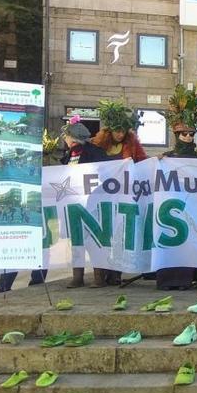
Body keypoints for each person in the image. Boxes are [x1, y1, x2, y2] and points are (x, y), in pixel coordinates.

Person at [90, 100, 146, 286]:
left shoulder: (132, 146)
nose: (120, 134)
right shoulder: (97, 146)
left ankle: (115, 274)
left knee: (120, 235)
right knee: (101, 234)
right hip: (101, 196)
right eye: (117, 131)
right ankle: (99, 273)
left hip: (123, 196)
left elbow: (142, 165)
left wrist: (158, 160)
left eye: (123, 131)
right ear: (110, 131)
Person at [156, 86, 197, 290]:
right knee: (169, 239)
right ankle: (167, 280)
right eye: (184, 134)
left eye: (191, 133)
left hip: (191, 206)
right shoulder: (169, 157)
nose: (188, 137)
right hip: (170, 206)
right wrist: (159, 161)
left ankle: (186, 279)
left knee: (189, 240)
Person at [60, 116, 110, 288]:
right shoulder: (68, 155)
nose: (65, 140)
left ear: (72, 137)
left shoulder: (94, 153)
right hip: (74, 203)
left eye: (66, 136)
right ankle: (78, 276)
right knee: (76, 239)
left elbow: (106, 174)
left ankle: (99, 277)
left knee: (94, 239)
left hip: (92, 203)